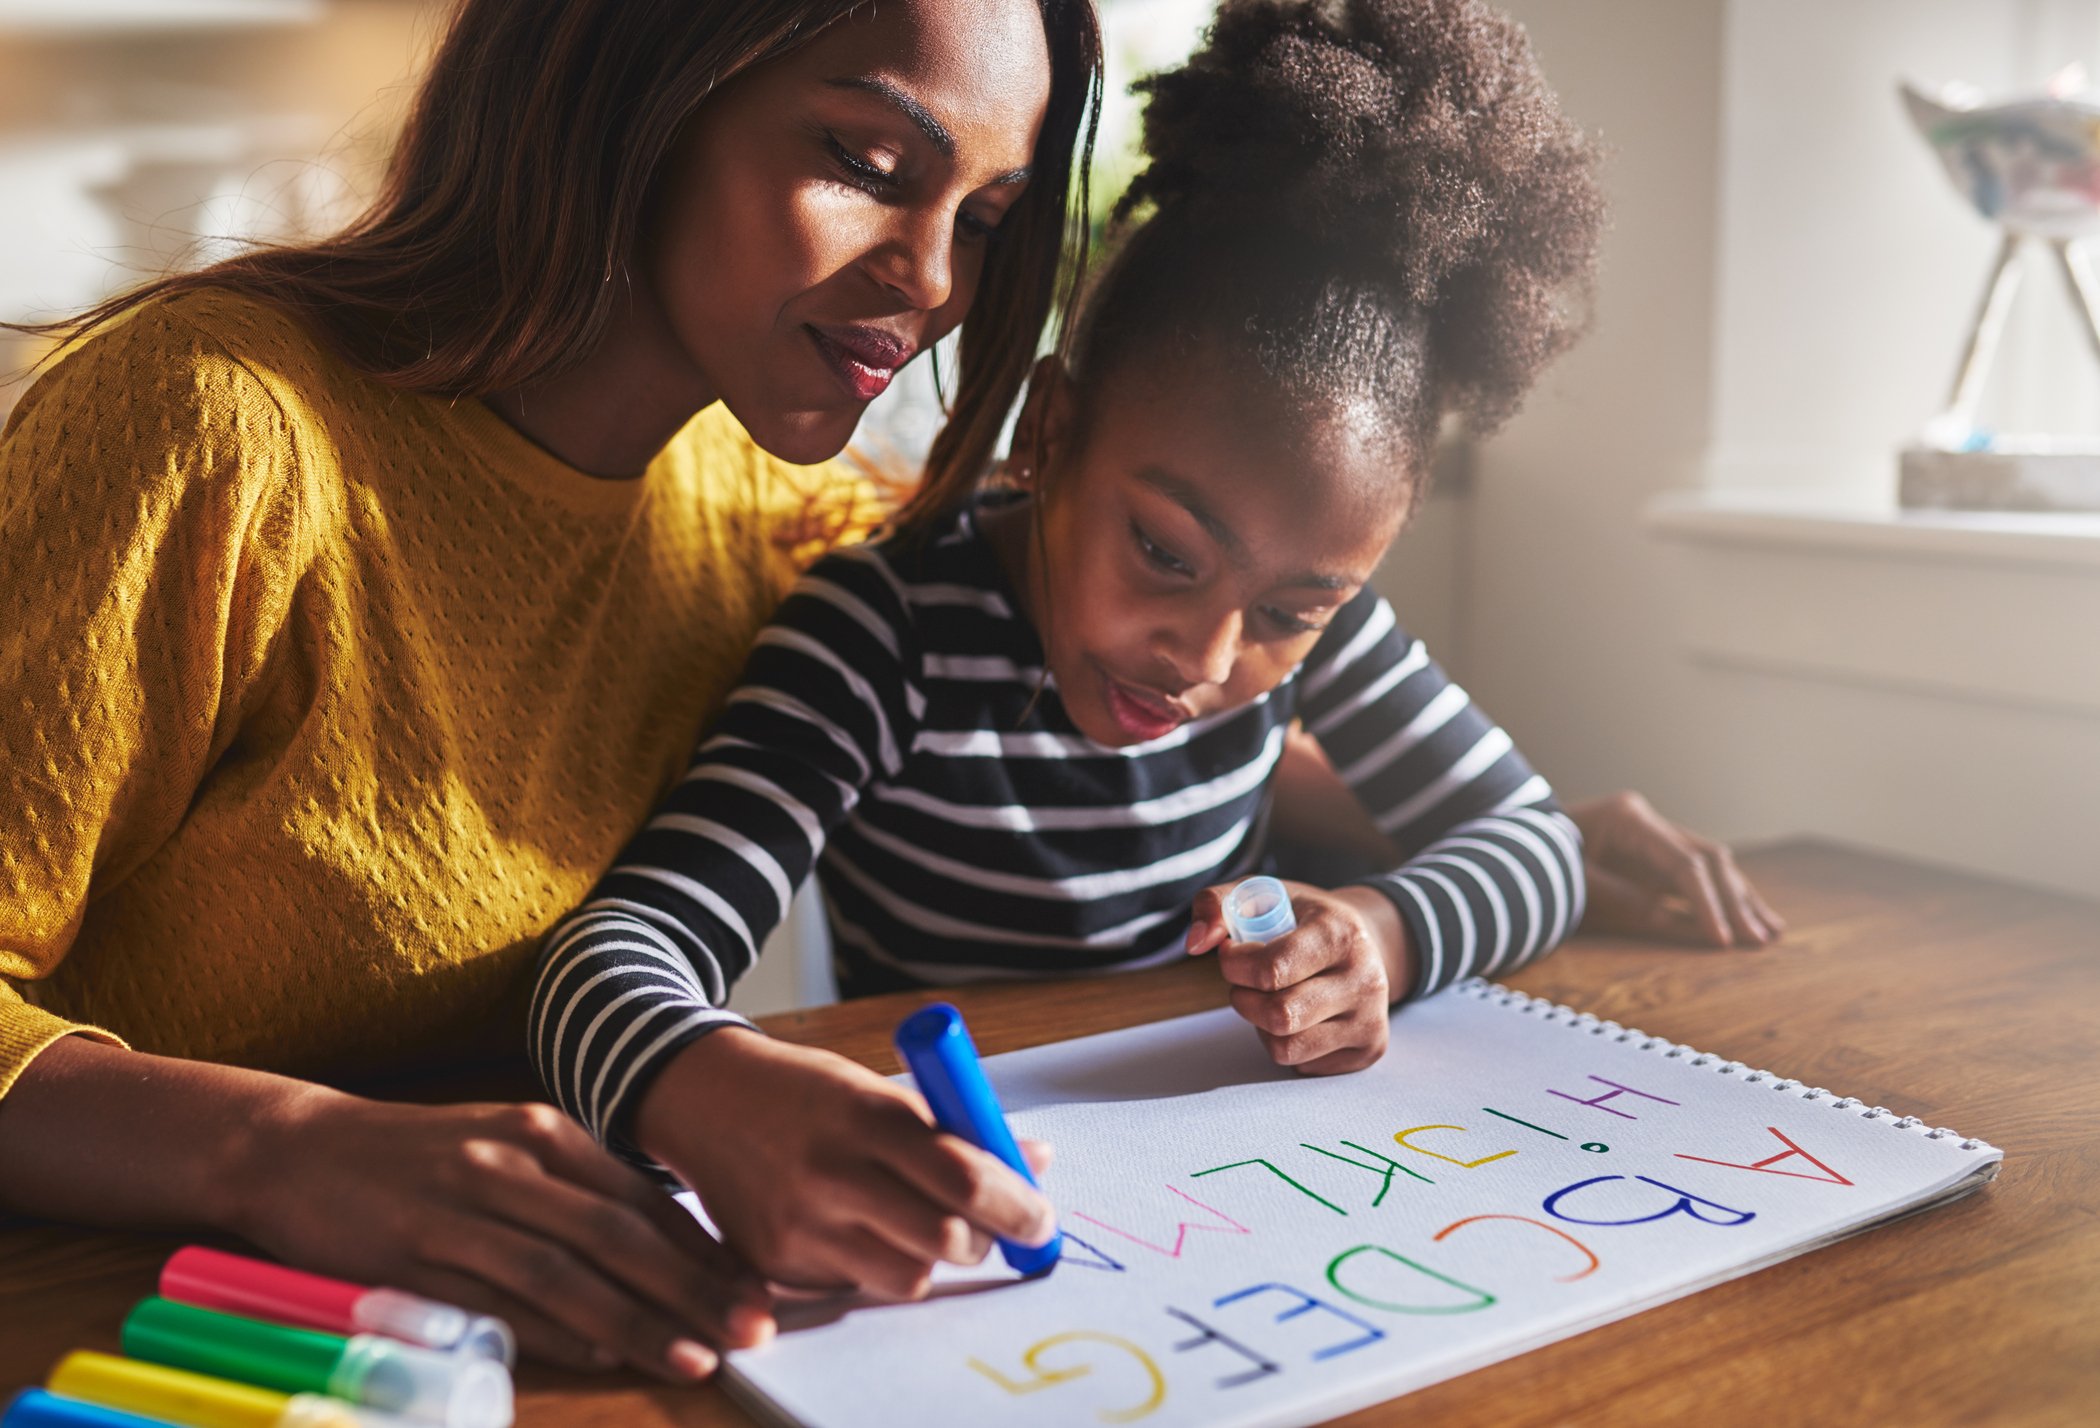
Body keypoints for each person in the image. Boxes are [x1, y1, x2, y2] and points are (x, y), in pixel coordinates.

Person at [531, 0, 1765, 1327]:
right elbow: (610, 957)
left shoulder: (1303, 637)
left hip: (1219, 1205)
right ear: (1050, 432)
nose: (1211, 656)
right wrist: (717, 1087)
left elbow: (1534, 845)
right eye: (1165, 552)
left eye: (1297, 605)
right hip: (980, 1211)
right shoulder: (877, 636)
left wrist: (1387, 938)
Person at [0, 0, 1104, 1380]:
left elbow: (1121, 665)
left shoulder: (770, 514)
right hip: (119, 1337)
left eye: (988, 220)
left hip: (471, 1347)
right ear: (634, 83)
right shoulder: (212, 429)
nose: (935, 279)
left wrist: (1367, 906)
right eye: (870, 165)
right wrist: (282, 1150)